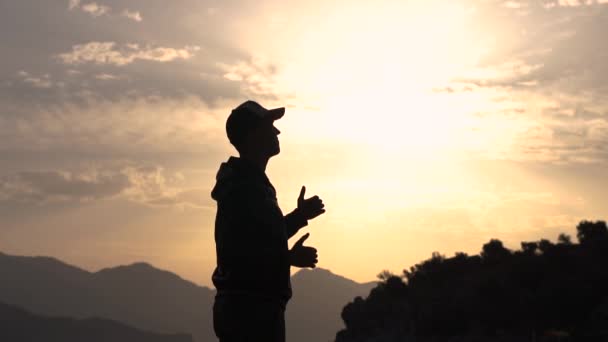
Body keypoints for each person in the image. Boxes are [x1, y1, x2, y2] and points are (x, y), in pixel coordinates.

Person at [211, 100, 326, 342]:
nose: (277, 131)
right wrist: (289, 258)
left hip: (249, 308)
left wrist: (300, 216)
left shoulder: (248, 183)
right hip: (250, 312)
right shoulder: (244, 188)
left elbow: (263, 237)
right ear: (253, 135)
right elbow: (240, 252)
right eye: (269, 126)